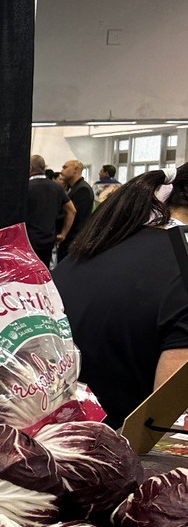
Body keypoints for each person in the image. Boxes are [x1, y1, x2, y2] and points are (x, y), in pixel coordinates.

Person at [53, 165, 188, 428]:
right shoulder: (180, 268)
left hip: (46, 432)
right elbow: (170, 423)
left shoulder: (100, 243)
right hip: (113, 445)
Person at [26, 154, 74, 267]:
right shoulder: (57, 187)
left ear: (30, 168)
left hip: (28, 240)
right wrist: (63, 234)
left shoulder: (26, 187)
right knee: (45, 270)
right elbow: (72, 210)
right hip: (48, 239)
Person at [57, 157, 94, 260]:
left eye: (65, 167)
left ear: (76, 169)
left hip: (73, 239)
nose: (61, 171)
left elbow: (76, 217)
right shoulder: (73, 188)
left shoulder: (83, 189)